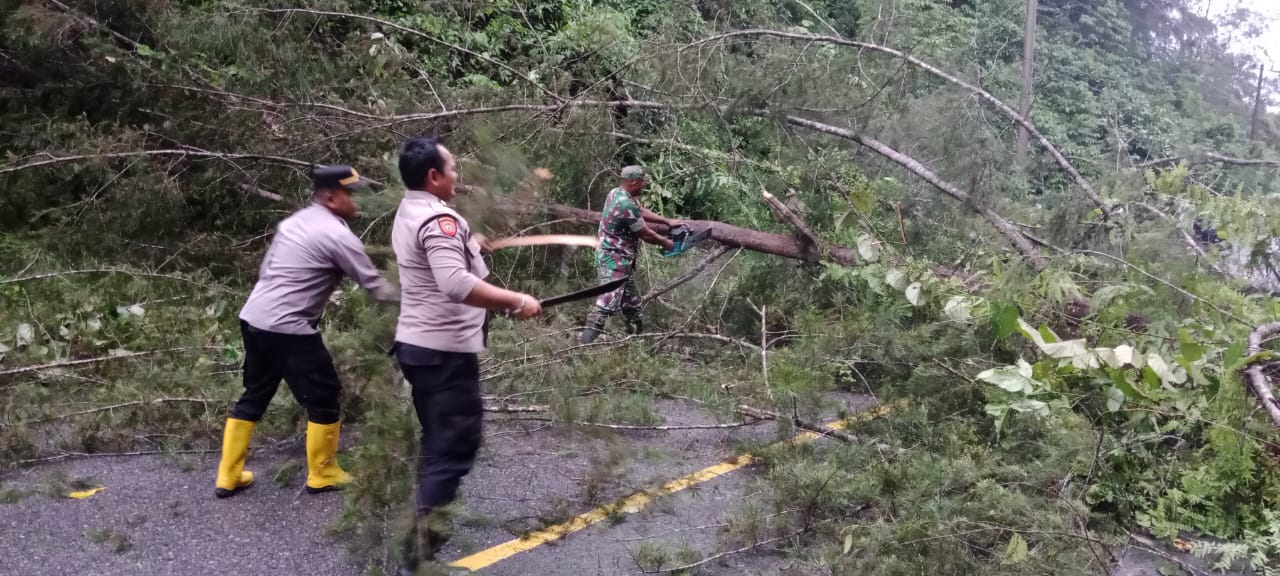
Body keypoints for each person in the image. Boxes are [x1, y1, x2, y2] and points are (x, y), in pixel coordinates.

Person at [390, 136, 542, 571]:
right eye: (453, 168)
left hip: (418, 349)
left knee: (438, 440)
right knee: (455, 446)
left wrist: (468, 243)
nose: (458, 176)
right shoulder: (440, 221)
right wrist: (515, 300)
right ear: (434, 176)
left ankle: (428, 524)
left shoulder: (411, 209)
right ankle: (418, 553)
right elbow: (455, 284)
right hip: (442, 354)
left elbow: (435, 257)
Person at [214, 165, 400, 499]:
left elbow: (267, 270)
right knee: (325, 396)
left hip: (254, 318)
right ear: (330, 197)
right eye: (353, 194)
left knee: (255, 393)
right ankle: (323, 472)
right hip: (288, 328)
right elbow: (376, 287)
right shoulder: (337, 235)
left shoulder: (294, 223)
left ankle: (229, 475)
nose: (360, 201)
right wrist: (424, 293)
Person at [578, 165, 680, 344]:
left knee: (632, 305)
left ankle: (637, 345)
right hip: (613, 263)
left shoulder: (616, 193)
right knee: (605, 306)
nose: (644, 186)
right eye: (642, 183)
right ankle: (581, 347)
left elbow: (639, 211)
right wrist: (668, 243)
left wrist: (667, 221)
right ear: (634, 182)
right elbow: (646, 234)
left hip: (621, 263)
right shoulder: (624, 204)